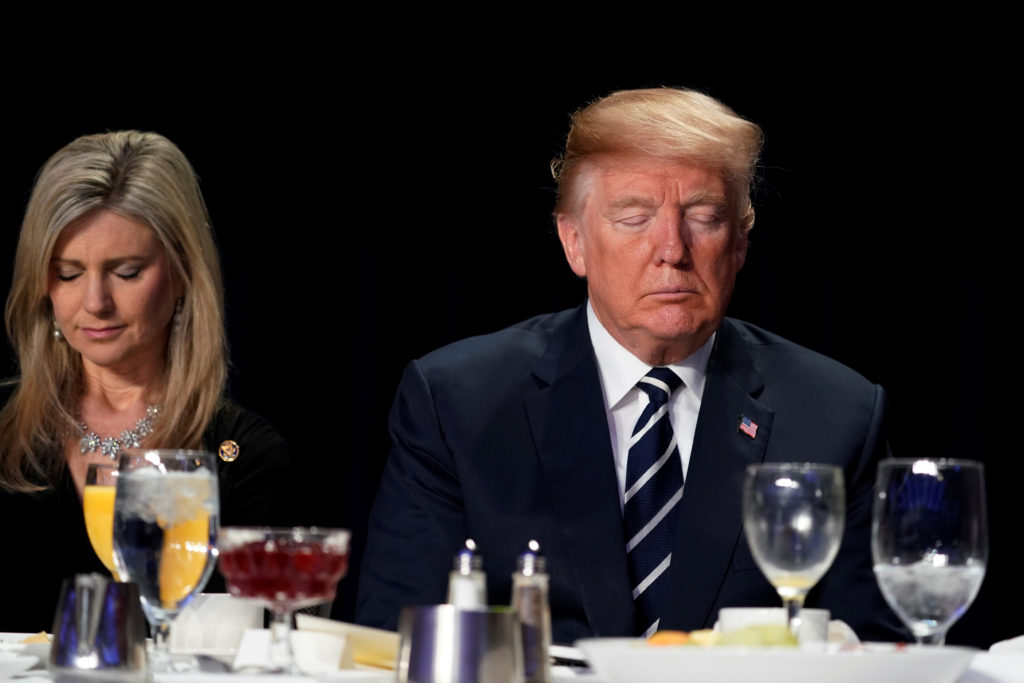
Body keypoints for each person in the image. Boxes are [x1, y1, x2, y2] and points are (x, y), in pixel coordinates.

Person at [355, 87, 905, 644]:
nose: (672, 248)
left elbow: (870, 652)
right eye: (635, 217)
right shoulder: (456, 402)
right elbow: (395, 640)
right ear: (575, 243)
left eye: (705, 217)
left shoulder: (838, 415)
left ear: (740, 243)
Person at [0, 131, 290, 632]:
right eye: (68, 274)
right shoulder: (2, 436)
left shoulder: (244, 456)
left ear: (181, 274)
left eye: (127, 271)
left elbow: (266, 653)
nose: (95, 301)